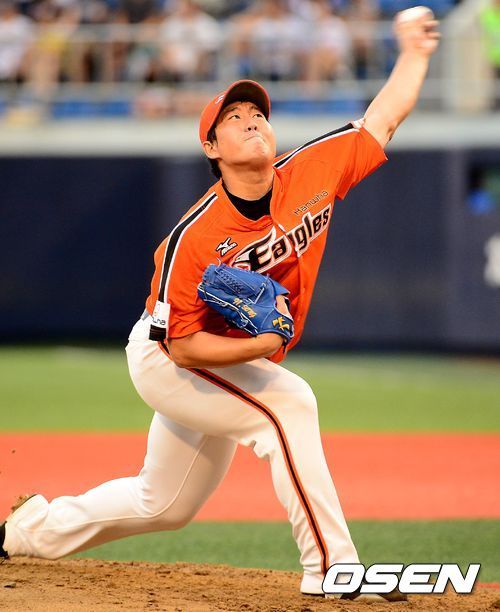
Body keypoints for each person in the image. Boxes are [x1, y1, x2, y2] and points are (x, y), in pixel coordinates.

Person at [0, 7, 440, 602]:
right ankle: (333, 569)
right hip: (167, 357)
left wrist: (414, 53)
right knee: (289, 405)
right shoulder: (194, 238)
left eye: (257, 114)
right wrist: (263, 345)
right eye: (234, 118)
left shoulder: (312, 171)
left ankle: (26, 532)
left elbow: (382, 118)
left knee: (164, 503)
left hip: (225, 357)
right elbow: (181, 347)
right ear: (211, 146)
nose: (252, 121)